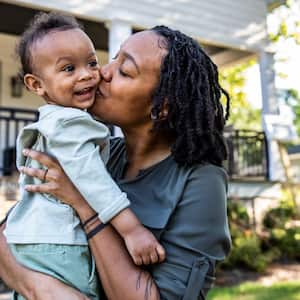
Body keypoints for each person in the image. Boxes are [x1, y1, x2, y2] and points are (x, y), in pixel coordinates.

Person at [0, 24, 231, 300]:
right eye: (113, 59)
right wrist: (40, 289)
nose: (102, 73)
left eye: (125, 71)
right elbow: (9, 234)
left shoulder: (201, 182)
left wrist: (84, 206)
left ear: (163, 105)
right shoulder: (96, 153)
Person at [3, 12, 165, 300]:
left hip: (34, 239)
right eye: (68, 69)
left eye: (91, 62)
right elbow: (92, 180)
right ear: (36, 85)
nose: (87, 74)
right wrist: (132, 230)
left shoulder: (51, 122)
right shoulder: (69, 124)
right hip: (60, 243)